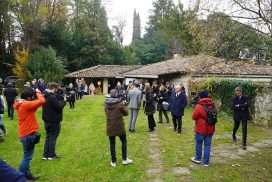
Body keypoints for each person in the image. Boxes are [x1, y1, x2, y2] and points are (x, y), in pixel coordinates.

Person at [14, 87, 45, 180]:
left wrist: (35, 96)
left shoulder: (21, 103)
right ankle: (19, 177)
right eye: (32, 96)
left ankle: (28, 176)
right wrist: (38, 93)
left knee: (27, 155)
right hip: (28, 134)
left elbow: (35, 107)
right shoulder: (26, 104)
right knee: (27, 157)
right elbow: (42, 101)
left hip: (24, 133)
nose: (33, 98)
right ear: (28, 97)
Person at [105, 89, 133, 167]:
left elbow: (106, 113)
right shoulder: (119, 104)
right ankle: (124, 159)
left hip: (110, 125)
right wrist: (124, 105)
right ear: (116, 94)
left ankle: (113, 161)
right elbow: (126, 113)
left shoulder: (106, 104)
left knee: (112, 144)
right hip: (119, 126)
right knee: (124, 141)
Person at [191, 90, 215, 167]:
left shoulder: (199, 105)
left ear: (200, 97)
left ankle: (198, 159)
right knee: (207, 145)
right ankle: (206, 162)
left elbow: (194, 117)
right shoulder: (212, 104)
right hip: (210, 128)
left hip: (201, 129)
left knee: (199, 143)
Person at [42, 83, 66, 160]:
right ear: (54, 88)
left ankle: (45, 155)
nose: (57, 90)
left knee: (48, 137)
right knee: (53, 137)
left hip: (47, 120)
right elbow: (59, 107)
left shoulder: (45, 95)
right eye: (56, 89)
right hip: (53, 120)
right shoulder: (51, 97)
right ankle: (51, 155)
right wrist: (64, 101)